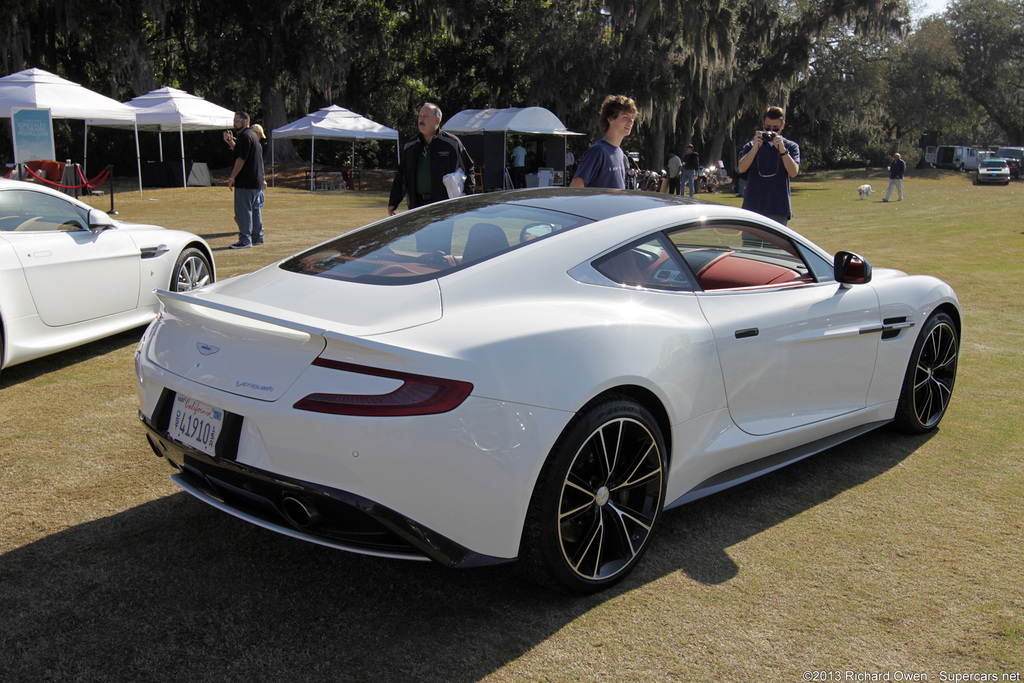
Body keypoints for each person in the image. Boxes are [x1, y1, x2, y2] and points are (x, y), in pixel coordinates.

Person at [388, 103, 474, 216]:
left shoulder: (451, 144)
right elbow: (401, 176)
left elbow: (469, 168)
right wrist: (393, 202)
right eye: (420, 116)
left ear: (437, 120)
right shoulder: (410, 146)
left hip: (444, 208)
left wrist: (467, 193)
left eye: (425, 116)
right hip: (416, 206)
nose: (421, 120)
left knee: (443, 234)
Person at [737, 105, 800, 225]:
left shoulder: (791, 147)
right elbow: (741, 168)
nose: (771, 132)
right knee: (750, 244)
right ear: (762, 125)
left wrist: (782, 150)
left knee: (775, 244)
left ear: (783, 126)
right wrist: (755, 148)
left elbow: (793, 172)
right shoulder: (751, 146)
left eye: (775, 129)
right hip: (752, 208)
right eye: (767, 128)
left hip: (778, 209)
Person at [570, 95, 637, 189]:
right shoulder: (597, 151)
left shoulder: (621, 155)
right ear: (610, 119)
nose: (630, 122)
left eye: (632, 117)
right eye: (625, 117)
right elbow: (575, 188)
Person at [226, 112, 266, 248]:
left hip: (246, 182)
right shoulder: (253, 136)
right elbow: (240, 152)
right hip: (256, 182)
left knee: (244, 211)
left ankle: (245, 240)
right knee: (255, 211)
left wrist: (232, 177)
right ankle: (258, 237)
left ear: (244, 121)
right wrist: (230, 141)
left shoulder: (244, 136)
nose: (234, 123)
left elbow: (240, 159)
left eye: (236, 120)